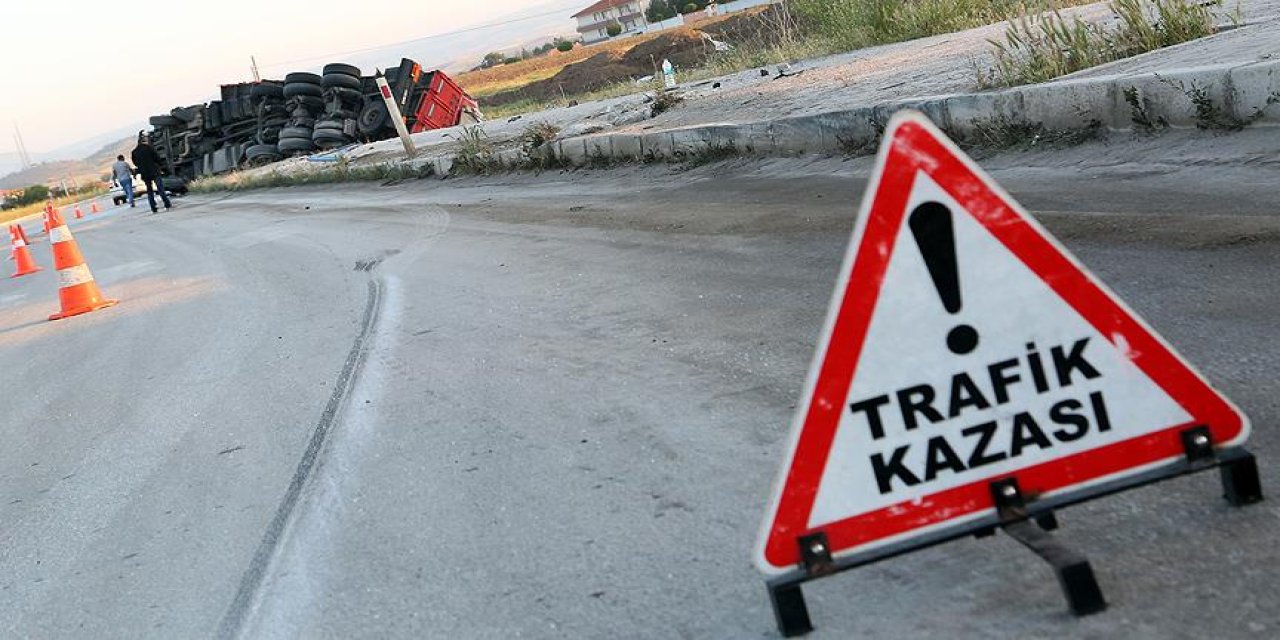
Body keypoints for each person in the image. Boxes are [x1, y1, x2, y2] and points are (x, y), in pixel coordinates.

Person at [130, 133, 172, 213]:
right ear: (144, 141)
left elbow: (135, 163)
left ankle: (153, 207)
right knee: (160, 189)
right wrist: (163, 167)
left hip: (145, 174)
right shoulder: (149, 148)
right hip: (154, 171)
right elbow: (157, 158)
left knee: (149, 191)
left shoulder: (134, 152)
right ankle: (167, 203)